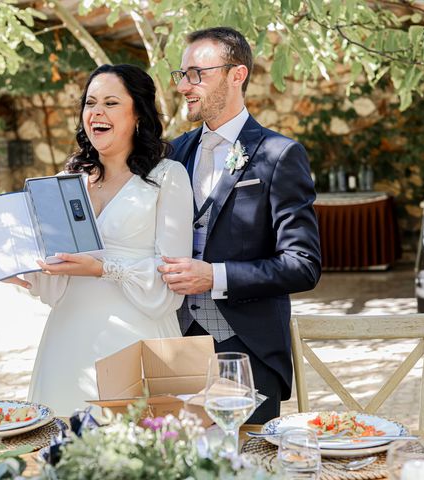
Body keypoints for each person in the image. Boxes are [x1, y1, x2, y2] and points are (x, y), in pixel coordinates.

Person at [159, 27, 321, 424]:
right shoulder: (172, 154)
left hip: (247, 354)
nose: (184, 86)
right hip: (173, 348)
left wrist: (213, 276)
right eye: (182, 75)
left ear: (237, 75)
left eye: (198, 73)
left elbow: (303, 264)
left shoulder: (279, 155)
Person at [25, 64, 193, 415]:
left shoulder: (168, 176)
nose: (96, 112)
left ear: (138, 115)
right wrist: (22, 265)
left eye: (111, 103)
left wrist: (104, 269)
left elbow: (173, 276)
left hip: (137, 337)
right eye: (90, 103)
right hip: (67, 343)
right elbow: (49, 284)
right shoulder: (65, 180)